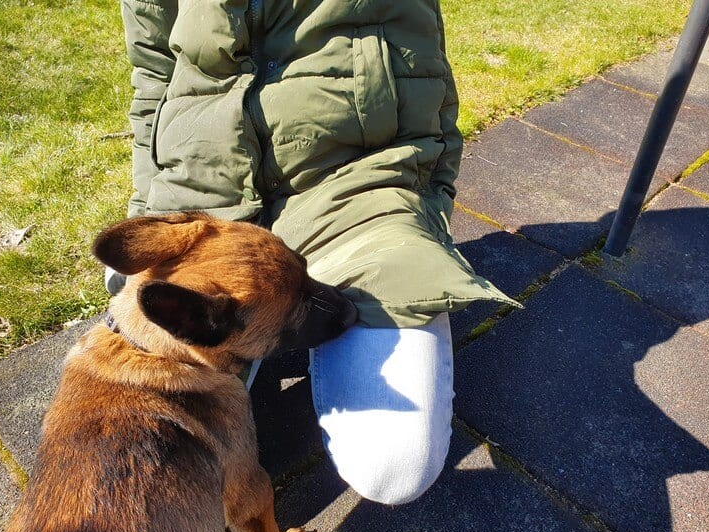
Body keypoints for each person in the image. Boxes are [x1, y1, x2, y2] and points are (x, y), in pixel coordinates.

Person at [114, 0, 517, 505]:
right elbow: (154, 73)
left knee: (394, 467)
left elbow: (427, 82)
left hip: (352, 189)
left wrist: (428, 200)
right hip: (204, 203)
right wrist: (147, 221)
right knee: (146, 474)